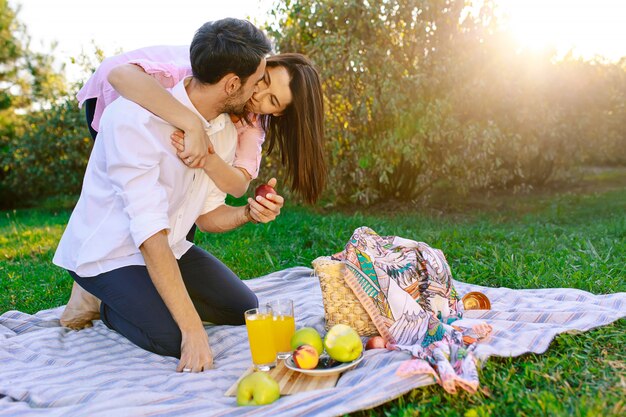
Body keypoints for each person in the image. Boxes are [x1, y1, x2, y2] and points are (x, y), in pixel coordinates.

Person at [54, 18, 281, 373]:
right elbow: (149, 238)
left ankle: (150, 295)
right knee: (173, 338)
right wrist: (192, 330)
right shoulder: (131, 119)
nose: (256, 96)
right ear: (232, 83)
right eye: (257, 83)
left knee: (243, 308)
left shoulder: (222, 130)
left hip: (169, 247)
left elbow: (206, 216)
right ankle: (107, 304)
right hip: (110, 254)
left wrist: (248, 214)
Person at [78, 48, 326, 205]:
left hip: (154, 119)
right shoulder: (217, 69)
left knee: (179, 190)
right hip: (115, 92)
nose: (259, 95)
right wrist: (193, 126)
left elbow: (239, 185)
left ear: (279, 112)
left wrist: (208, 159)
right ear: (262, 65)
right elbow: (121, 76)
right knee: (126, 192)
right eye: (265, 80)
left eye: (272, 100)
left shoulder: (253, 124)